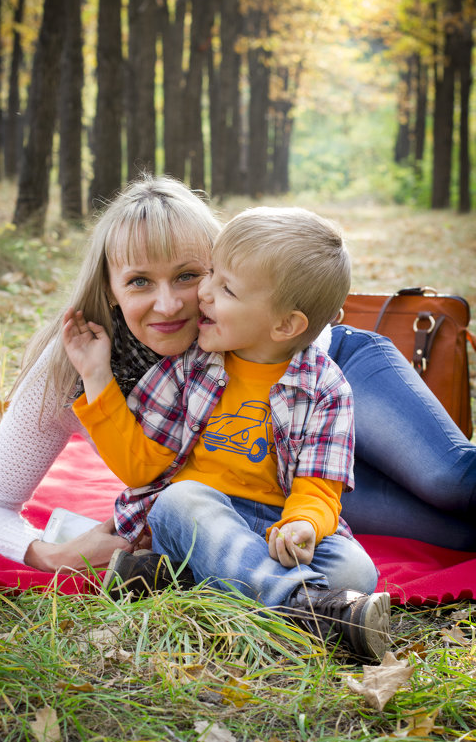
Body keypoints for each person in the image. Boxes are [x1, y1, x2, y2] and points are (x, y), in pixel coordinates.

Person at [0, 175, 476, 571]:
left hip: (330, 378)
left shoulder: (255, 316)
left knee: (448, 481)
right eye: (138, 282)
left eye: (189, 275)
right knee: (449, 530)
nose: (171, 304)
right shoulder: (78, 360)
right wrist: (47, 553)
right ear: (109, 287)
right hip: (282, 475)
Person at [63, 206, 391, 660]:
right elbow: (141, 468)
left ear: (285, 325)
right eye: (211, 274)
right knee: (180, 500)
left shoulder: (327, 388)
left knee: (356, 570)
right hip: (202, 516)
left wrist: (302, 526)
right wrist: (96, 377)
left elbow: (319, 488)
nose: (204, 293)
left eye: (226, 287)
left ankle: (169, 577)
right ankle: (305, 610)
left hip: (275, 526)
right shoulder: (189, 367)